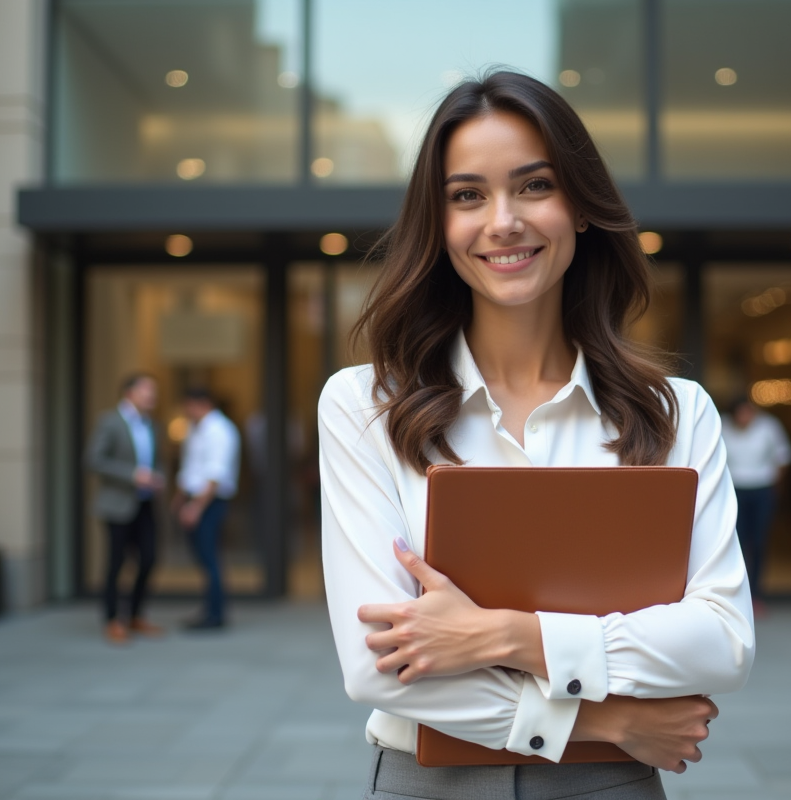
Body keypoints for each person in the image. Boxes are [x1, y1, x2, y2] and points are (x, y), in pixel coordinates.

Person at [319, 71, 753, 800]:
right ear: (440, 223)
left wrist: (506, 637)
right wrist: (606, 717)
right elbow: (377, 669)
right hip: (432, 781)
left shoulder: (675, 413)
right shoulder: (365, 404)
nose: (503, 221)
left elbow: (722, 643)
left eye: (533, 186)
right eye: (467, 196)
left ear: (581, 207)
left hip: (609, 786)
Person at [85, 373, 166, 645]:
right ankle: (112, 620)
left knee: (149, 558)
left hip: (144, 503)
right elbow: (94, 460)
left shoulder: (152, 425)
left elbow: (158, 461)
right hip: (117, 504)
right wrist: (133, 475)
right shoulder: (109, 421)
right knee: (116, 563)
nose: (152, 396)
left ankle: (134, 615)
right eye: (147, 390)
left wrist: (158, 478)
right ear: (129, 393)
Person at [173, 388, 241, 630]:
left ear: (201, 404)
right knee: (204, 557)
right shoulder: (196, 428)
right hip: (197, 499)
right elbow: (190, 467)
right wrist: (181, 497)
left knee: (210, 557)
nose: (186, 411)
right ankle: (210, 609)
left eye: (188, 405)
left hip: (209, 502)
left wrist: (195, 507)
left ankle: (215, 614)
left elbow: (215, 475)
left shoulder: (219, 430)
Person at [721, 396, 791, 616]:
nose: (745, 418)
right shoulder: (723, 426)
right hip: (733, 490)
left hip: (762, 489)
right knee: (737, 542)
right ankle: (736, 594)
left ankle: (756, 594)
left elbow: (783, 457)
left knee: (759, 541)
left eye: (749, 413)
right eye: (741, 414)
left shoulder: (769, 426)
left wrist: (776, 487)